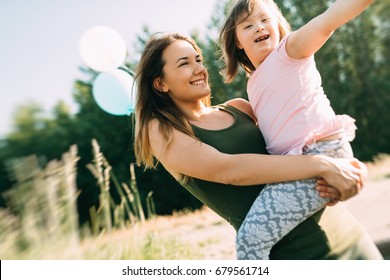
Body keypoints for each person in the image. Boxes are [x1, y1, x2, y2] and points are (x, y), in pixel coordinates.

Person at [133, 32, 382, 259]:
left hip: (351, 240)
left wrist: (345, 167)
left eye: (198, 59)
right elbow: (229, 171)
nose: (198, 68)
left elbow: (304, 137)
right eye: (184, 63)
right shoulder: (160, 130)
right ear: (160, 84)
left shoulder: (241, 108)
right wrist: (322, 165)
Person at [219, 0, 379, 259]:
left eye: (264, 20)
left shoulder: (289, 50)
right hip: (302, 163)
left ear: (277, 24)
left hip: (321, 153)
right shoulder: (254, 83)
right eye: (248, 25)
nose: (259, 27)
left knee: (250, 240)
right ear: (237, 41)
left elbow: (328, 21)